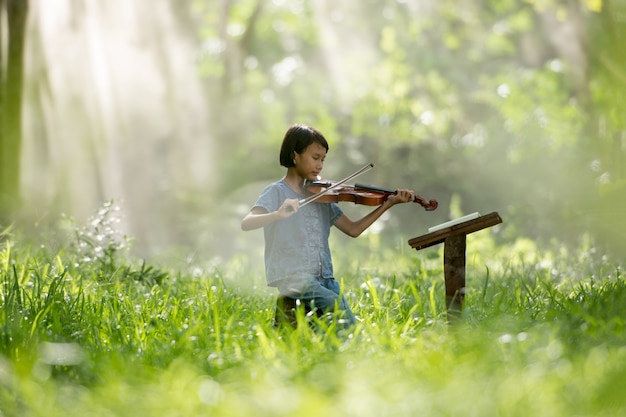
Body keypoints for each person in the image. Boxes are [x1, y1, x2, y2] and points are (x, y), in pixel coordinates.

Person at [241, 124, 416, 327]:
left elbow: (353, 229)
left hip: (324, 276)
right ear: (294, 156)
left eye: (323, 159)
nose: (320, 165)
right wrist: (277, 214)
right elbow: (247, 223)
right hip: (292, 276)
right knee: (333, 305)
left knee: (350, 324)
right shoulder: (276, 192)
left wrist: (388, 204)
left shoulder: (322, 195)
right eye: (315, 158)